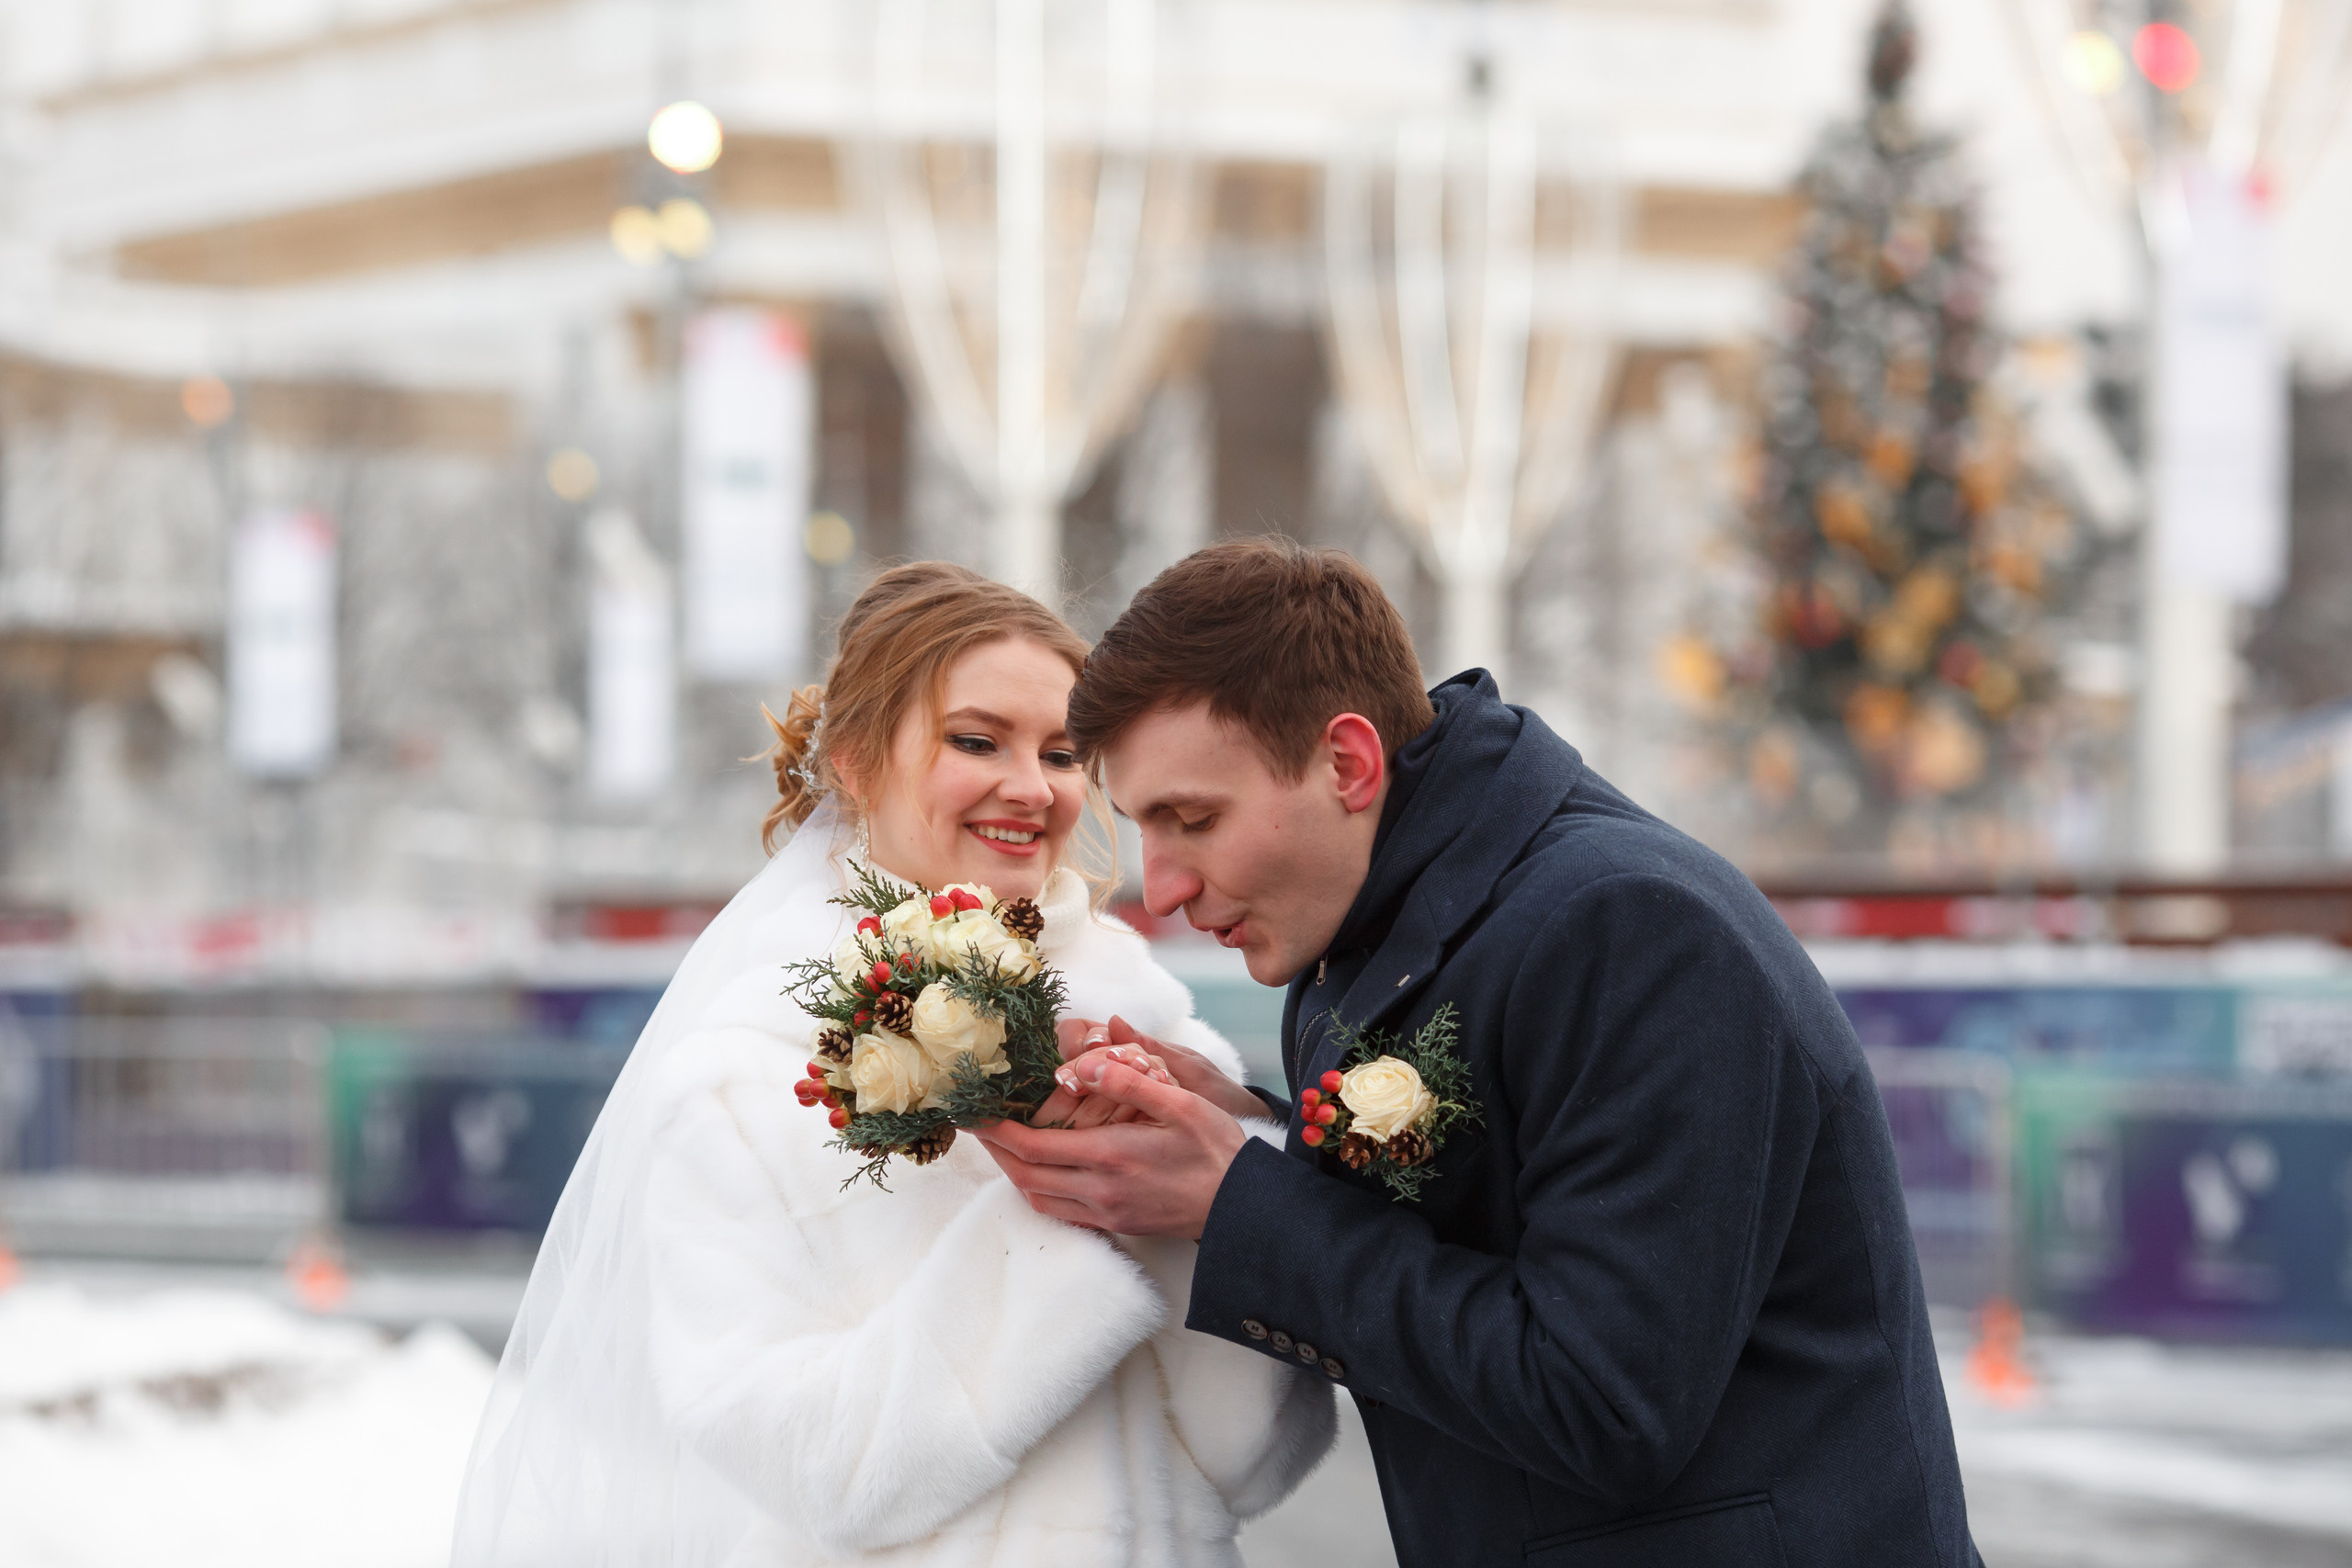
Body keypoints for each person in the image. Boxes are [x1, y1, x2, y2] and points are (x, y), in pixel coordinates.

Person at [977, 539, 1982, 1567]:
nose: (1168, 885)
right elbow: (1480, 1231)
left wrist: (1234, 1200)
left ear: (1349, 764)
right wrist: (1247, 1138)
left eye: (1193, 819)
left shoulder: (1634, 929)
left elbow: (1604, 1400)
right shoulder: (1360, 923)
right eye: (1147, 827)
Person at [451, 561, 1334, 1567]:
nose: (1029, 787)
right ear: (858, 761)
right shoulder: (749, 1071)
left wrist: (1207, 1202)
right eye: (975, 741)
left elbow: (1256, 1457)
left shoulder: (1145, 1021)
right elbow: (807, 1467)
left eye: (1059, 752)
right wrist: (1064, 1209)